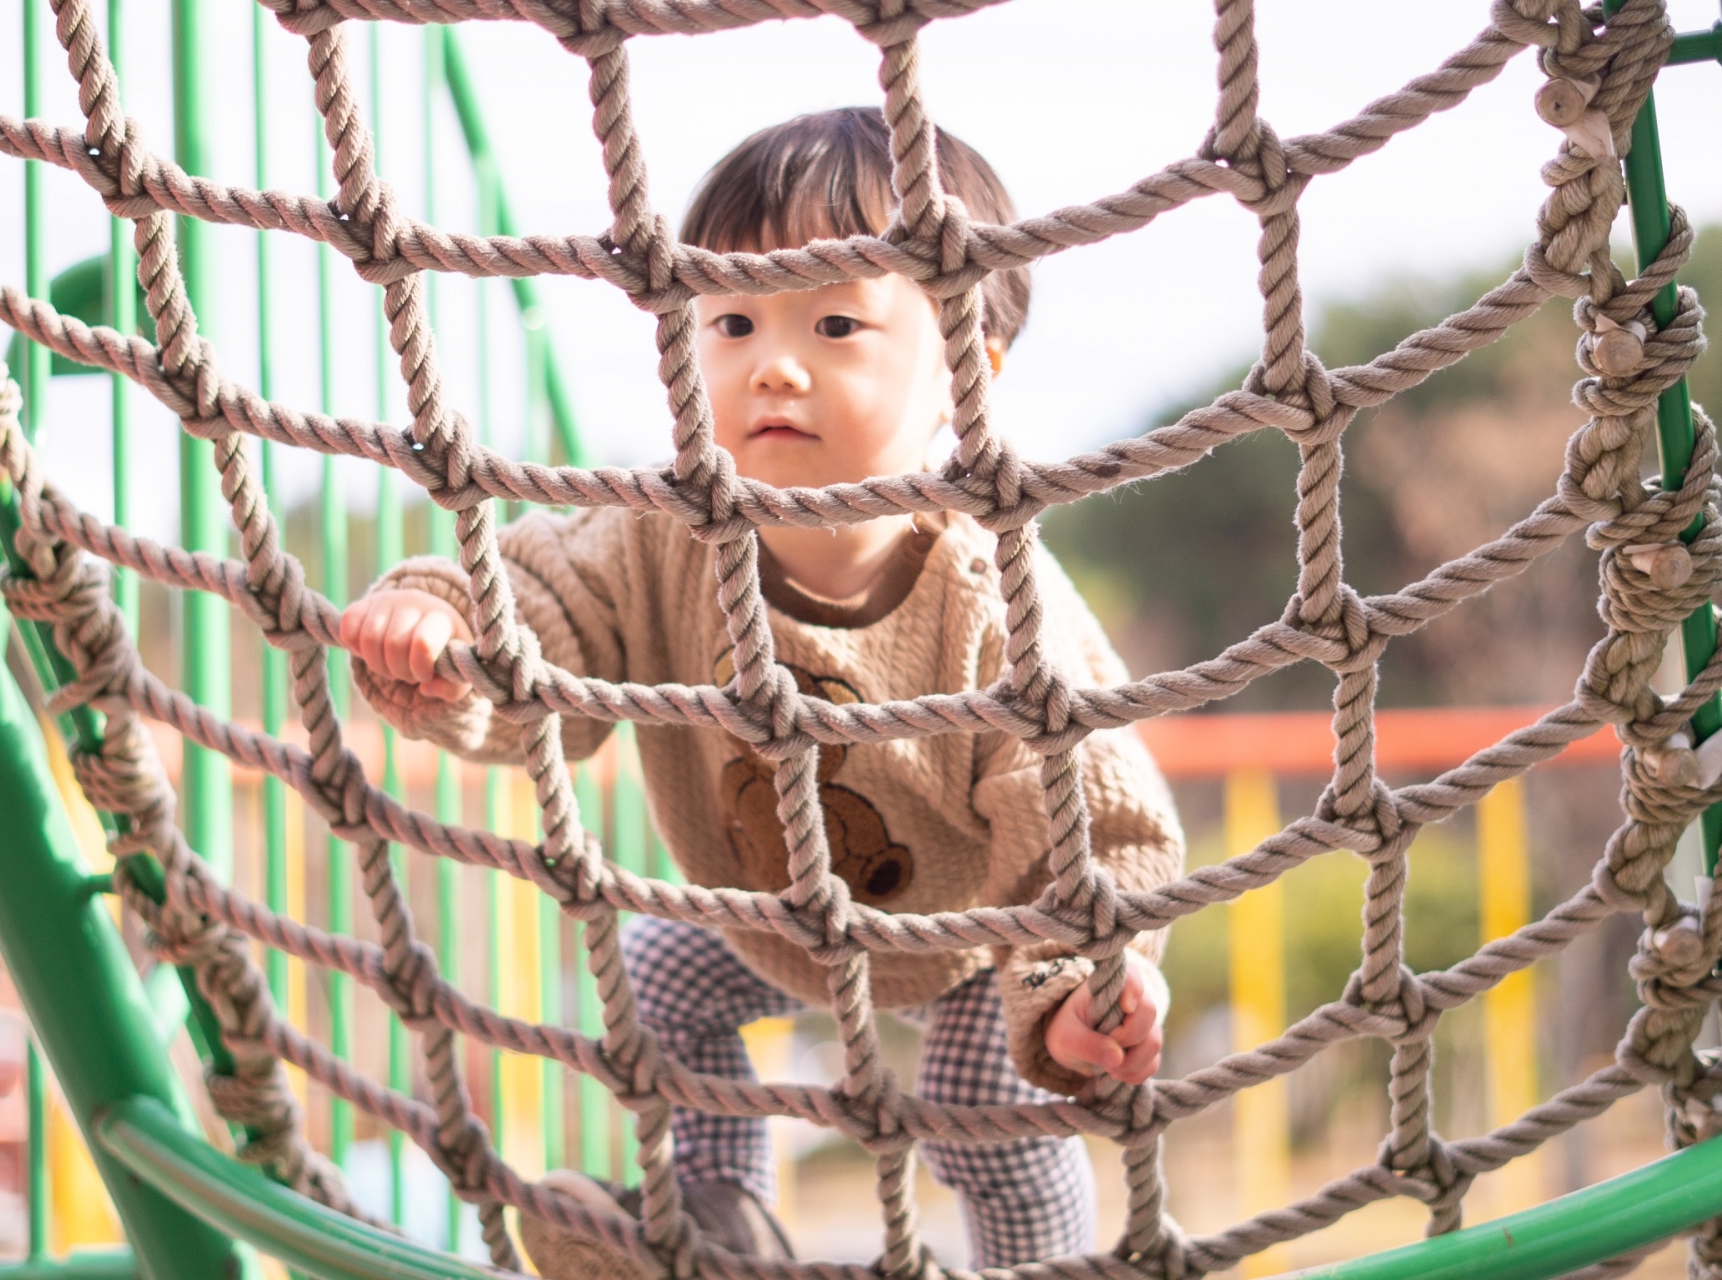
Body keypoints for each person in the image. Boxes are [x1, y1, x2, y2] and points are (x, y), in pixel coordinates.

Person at [340, 107, 1185, 1273]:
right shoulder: (665, 536)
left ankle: (1040, 1266)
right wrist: (444, 622)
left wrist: (1086, 977)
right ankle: (720, 1230)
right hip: (773, 917)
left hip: (983, 929)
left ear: (967, 374)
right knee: (654, 974)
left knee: (979, 1104)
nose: (772, 364)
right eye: (731, 320)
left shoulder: (991, 596)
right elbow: (544, 603)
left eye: (836, 322)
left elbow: (1092, 811)